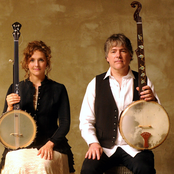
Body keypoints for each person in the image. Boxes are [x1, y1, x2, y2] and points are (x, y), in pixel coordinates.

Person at [79, 33, 159, 174]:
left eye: (123, 51)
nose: (118, 55)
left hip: (136, 148)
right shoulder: (95, 84)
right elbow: (86, 120)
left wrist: (153, 102)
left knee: (145, 169)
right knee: (88, 169)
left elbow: (158, 119)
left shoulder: (143, 81)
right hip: (104, 148)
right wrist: (93, 143)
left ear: (130, 56)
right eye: (113, 51)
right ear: (107, 58)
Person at [0, 41, 75, 174]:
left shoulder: (58, 89)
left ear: (47, 63)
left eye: (41, 60)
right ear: (26, 63)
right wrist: (9, 109)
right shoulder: (15, 88)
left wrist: (50, 144)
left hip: (52, 143)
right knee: (18, 165)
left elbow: (65, 123)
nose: (36, 64)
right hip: (21, 145)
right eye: (32, 60)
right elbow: (5, 127)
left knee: (43, 164)